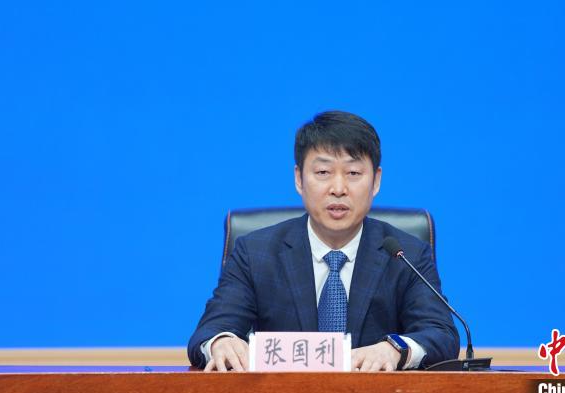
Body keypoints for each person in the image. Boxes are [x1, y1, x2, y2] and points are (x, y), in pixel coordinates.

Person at [187, 111, 459, 371]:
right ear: (299, 179)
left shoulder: (405, 254)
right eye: (323, 173)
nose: (338, 189)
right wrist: (221, 342)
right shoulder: (255, 253)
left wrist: (394, 349)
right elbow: (209, 332)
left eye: (353, 173)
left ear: (376, 181)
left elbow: (441, 334)